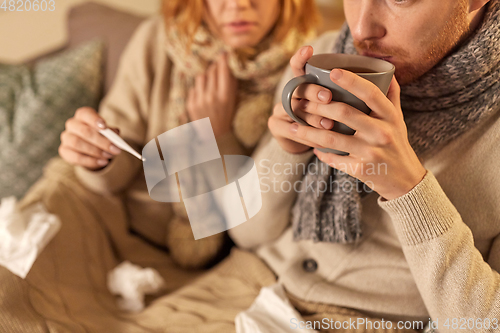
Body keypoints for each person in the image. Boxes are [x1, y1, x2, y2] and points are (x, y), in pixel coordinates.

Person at [87, 0, 498, 332]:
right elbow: (248, 234)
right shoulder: (323, 58)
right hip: (235, 291)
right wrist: (287, 150)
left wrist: (408, 189)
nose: (362, 28)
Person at [0, 0, 318, 331]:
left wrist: (217, 135)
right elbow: (116, 162)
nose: (238, 5)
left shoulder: (300, 72)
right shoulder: (159, 40)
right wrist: (97, 153)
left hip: (221, 260)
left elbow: (256, 216)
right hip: (116, 226)